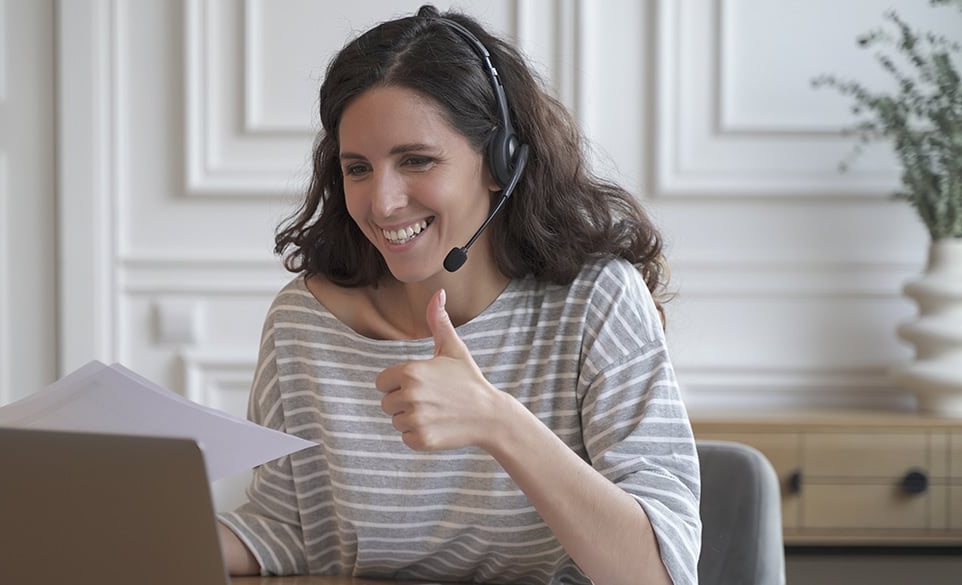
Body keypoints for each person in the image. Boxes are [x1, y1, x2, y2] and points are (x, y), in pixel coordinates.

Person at [216, 5, 701, 585]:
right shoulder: (304, 321)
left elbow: (658, 574)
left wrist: (496, 421)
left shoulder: (596, 301)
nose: (382, 202)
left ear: (502, 162)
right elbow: (285, 529)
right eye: (358, 168)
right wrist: (138, 524)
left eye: (417, 161)